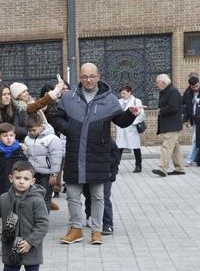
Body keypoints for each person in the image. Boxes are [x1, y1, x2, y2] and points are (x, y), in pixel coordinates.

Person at [37, 64, 138, 246]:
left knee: (98, 195)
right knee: (73, 195)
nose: (89, 80)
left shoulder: (109, 99)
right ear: (80, 78)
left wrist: (130, 115)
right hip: (75, 153)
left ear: (99, 76)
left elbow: (121, 122)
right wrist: (68, 128)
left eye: (92, 76)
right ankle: (75, 229)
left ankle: (96, 231)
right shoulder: (69, 98)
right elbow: (55, 117)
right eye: (85, 77)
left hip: (99, 154)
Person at [24, 116, 63, 211]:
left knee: (45, 198)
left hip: (47, 174)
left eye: (34, 130)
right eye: (29, 130)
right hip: (33, 173)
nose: (31, 132)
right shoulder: (28, 138)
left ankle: (43, 221)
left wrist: (54, 174)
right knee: (32, 198)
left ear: (41, 126)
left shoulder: (51, 138)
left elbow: (56, 157)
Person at [153, 74, 185, 177]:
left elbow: (174, 107)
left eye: (158, 82)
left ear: (163, 83)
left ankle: (163, 168)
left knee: (166, 146)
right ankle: (180, 168)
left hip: (172, 124)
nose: (157, 84)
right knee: (175, 147)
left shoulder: (173, 91)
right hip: (169, 124)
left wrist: (161, 111)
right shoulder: (166, 91)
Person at [0, 123, 25, 205]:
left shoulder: (20, 154)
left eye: (11, 135)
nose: (9, 138)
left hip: (16, 194)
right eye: (5, 135)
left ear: (15, 136)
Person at [115, 85, 145, 173]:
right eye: (121, 93)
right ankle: (115, 167)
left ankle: (138, 166)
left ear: (129, 92)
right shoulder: (118, 101)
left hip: (131, 129)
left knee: (135, 147)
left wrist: (133, 123)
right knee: (119, 148)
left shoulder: (136, 101)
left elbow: (142, 115)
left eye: (124, 93)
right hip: (121, 129)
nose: (122, 95)